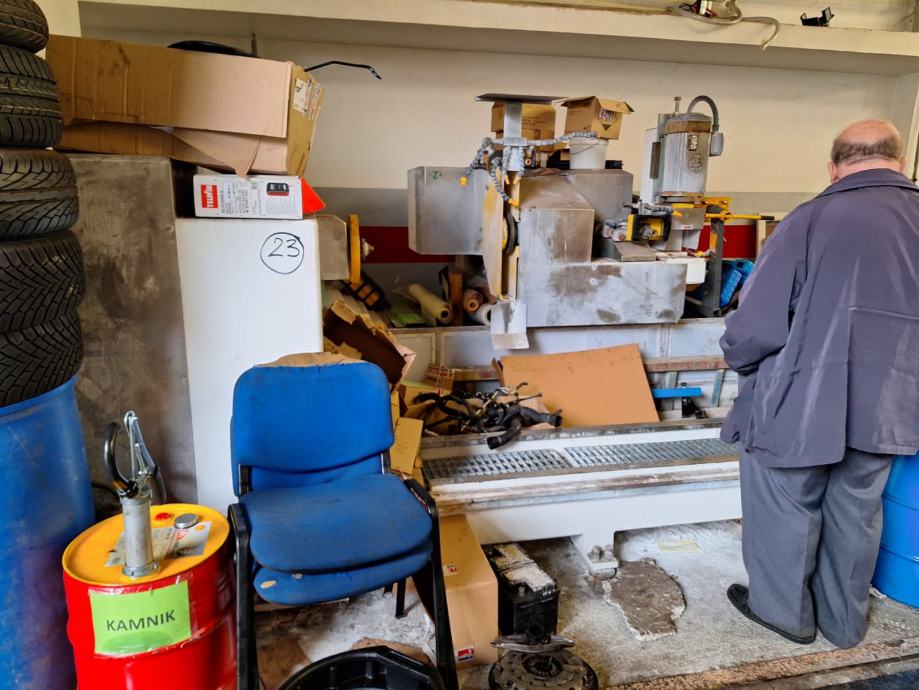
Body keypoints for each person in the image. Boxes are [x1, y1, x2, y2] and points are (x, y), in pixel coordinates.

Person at [720, 119, 919, 649]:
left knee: (785, 499)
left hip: (800, 400)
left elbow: (756, 326)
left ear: (834, 167)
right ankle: (844, 623)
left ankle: (784, 615)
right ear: (900, 163)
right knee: (858, 505)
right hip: (892, 405)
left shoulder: (810, 219)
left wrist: (740, 361)